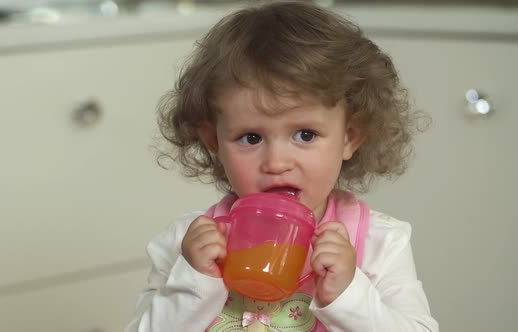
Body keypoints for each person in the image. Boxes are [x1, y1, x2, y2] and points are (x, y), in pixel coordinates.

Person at [126, 1, 438, 331]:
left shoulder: (378, 243)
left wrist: (348, 295)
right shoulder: (186, 243)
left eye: (305, 134)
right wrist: (193, 282)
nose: (276, 163)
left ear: (349, 137)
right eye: (250, 138)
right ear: (213, 141)